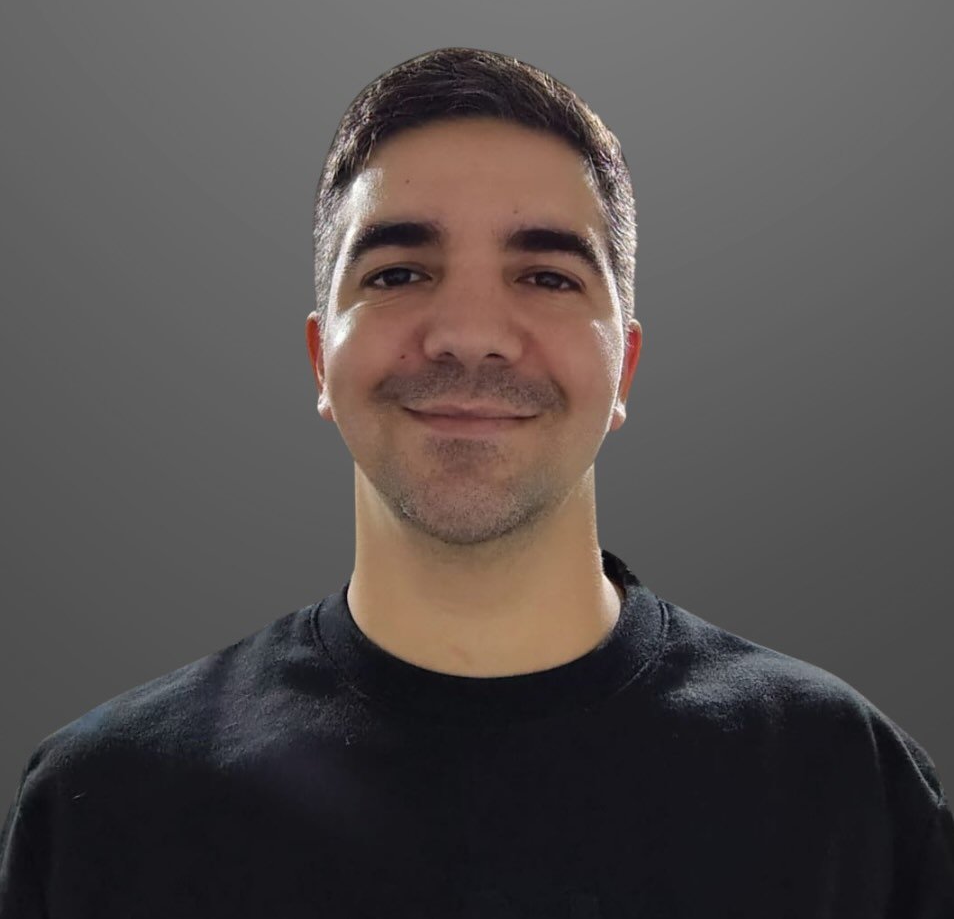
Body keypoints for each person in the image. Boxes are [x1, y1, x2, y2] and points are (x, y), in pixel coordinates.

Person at [1, 46, 951, 918]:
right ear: (319, 360)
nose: (468, 334)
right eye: (398, 273)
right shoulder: (105, 805)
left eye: (546, 277)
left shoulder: (842, 784)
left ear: (623, 368)